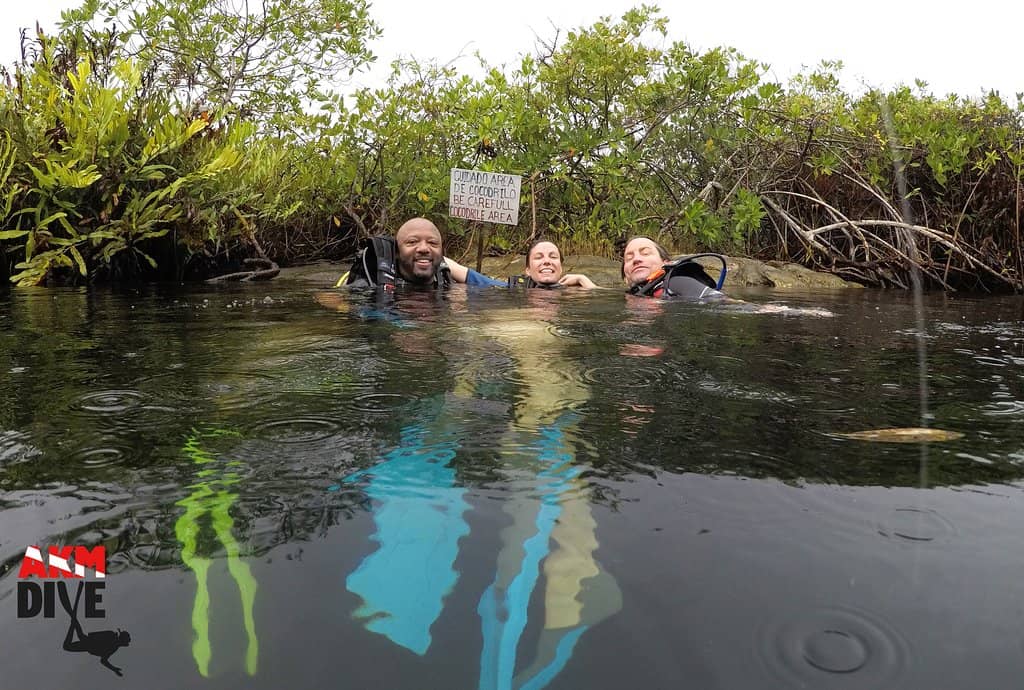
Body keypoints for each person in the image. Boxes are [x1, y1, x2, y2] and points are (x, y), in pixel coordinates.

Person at [444, 239, 598, 289]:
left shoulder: (575, 294)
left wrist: (584, 280)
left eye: (553, 256)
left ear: (561, 267)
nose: (546, 261)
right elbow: (462, 272)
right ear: (528, 270)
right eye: (538, 257)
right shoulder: (513, 289)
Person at [621, 236, 725, 300]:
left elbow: (725, 303)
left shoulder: (678, 283)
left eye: (645, 253)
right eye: (629, 258)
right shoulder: (630, 296)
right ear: (625, 277)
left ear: (666, 263)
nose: (636, 259)